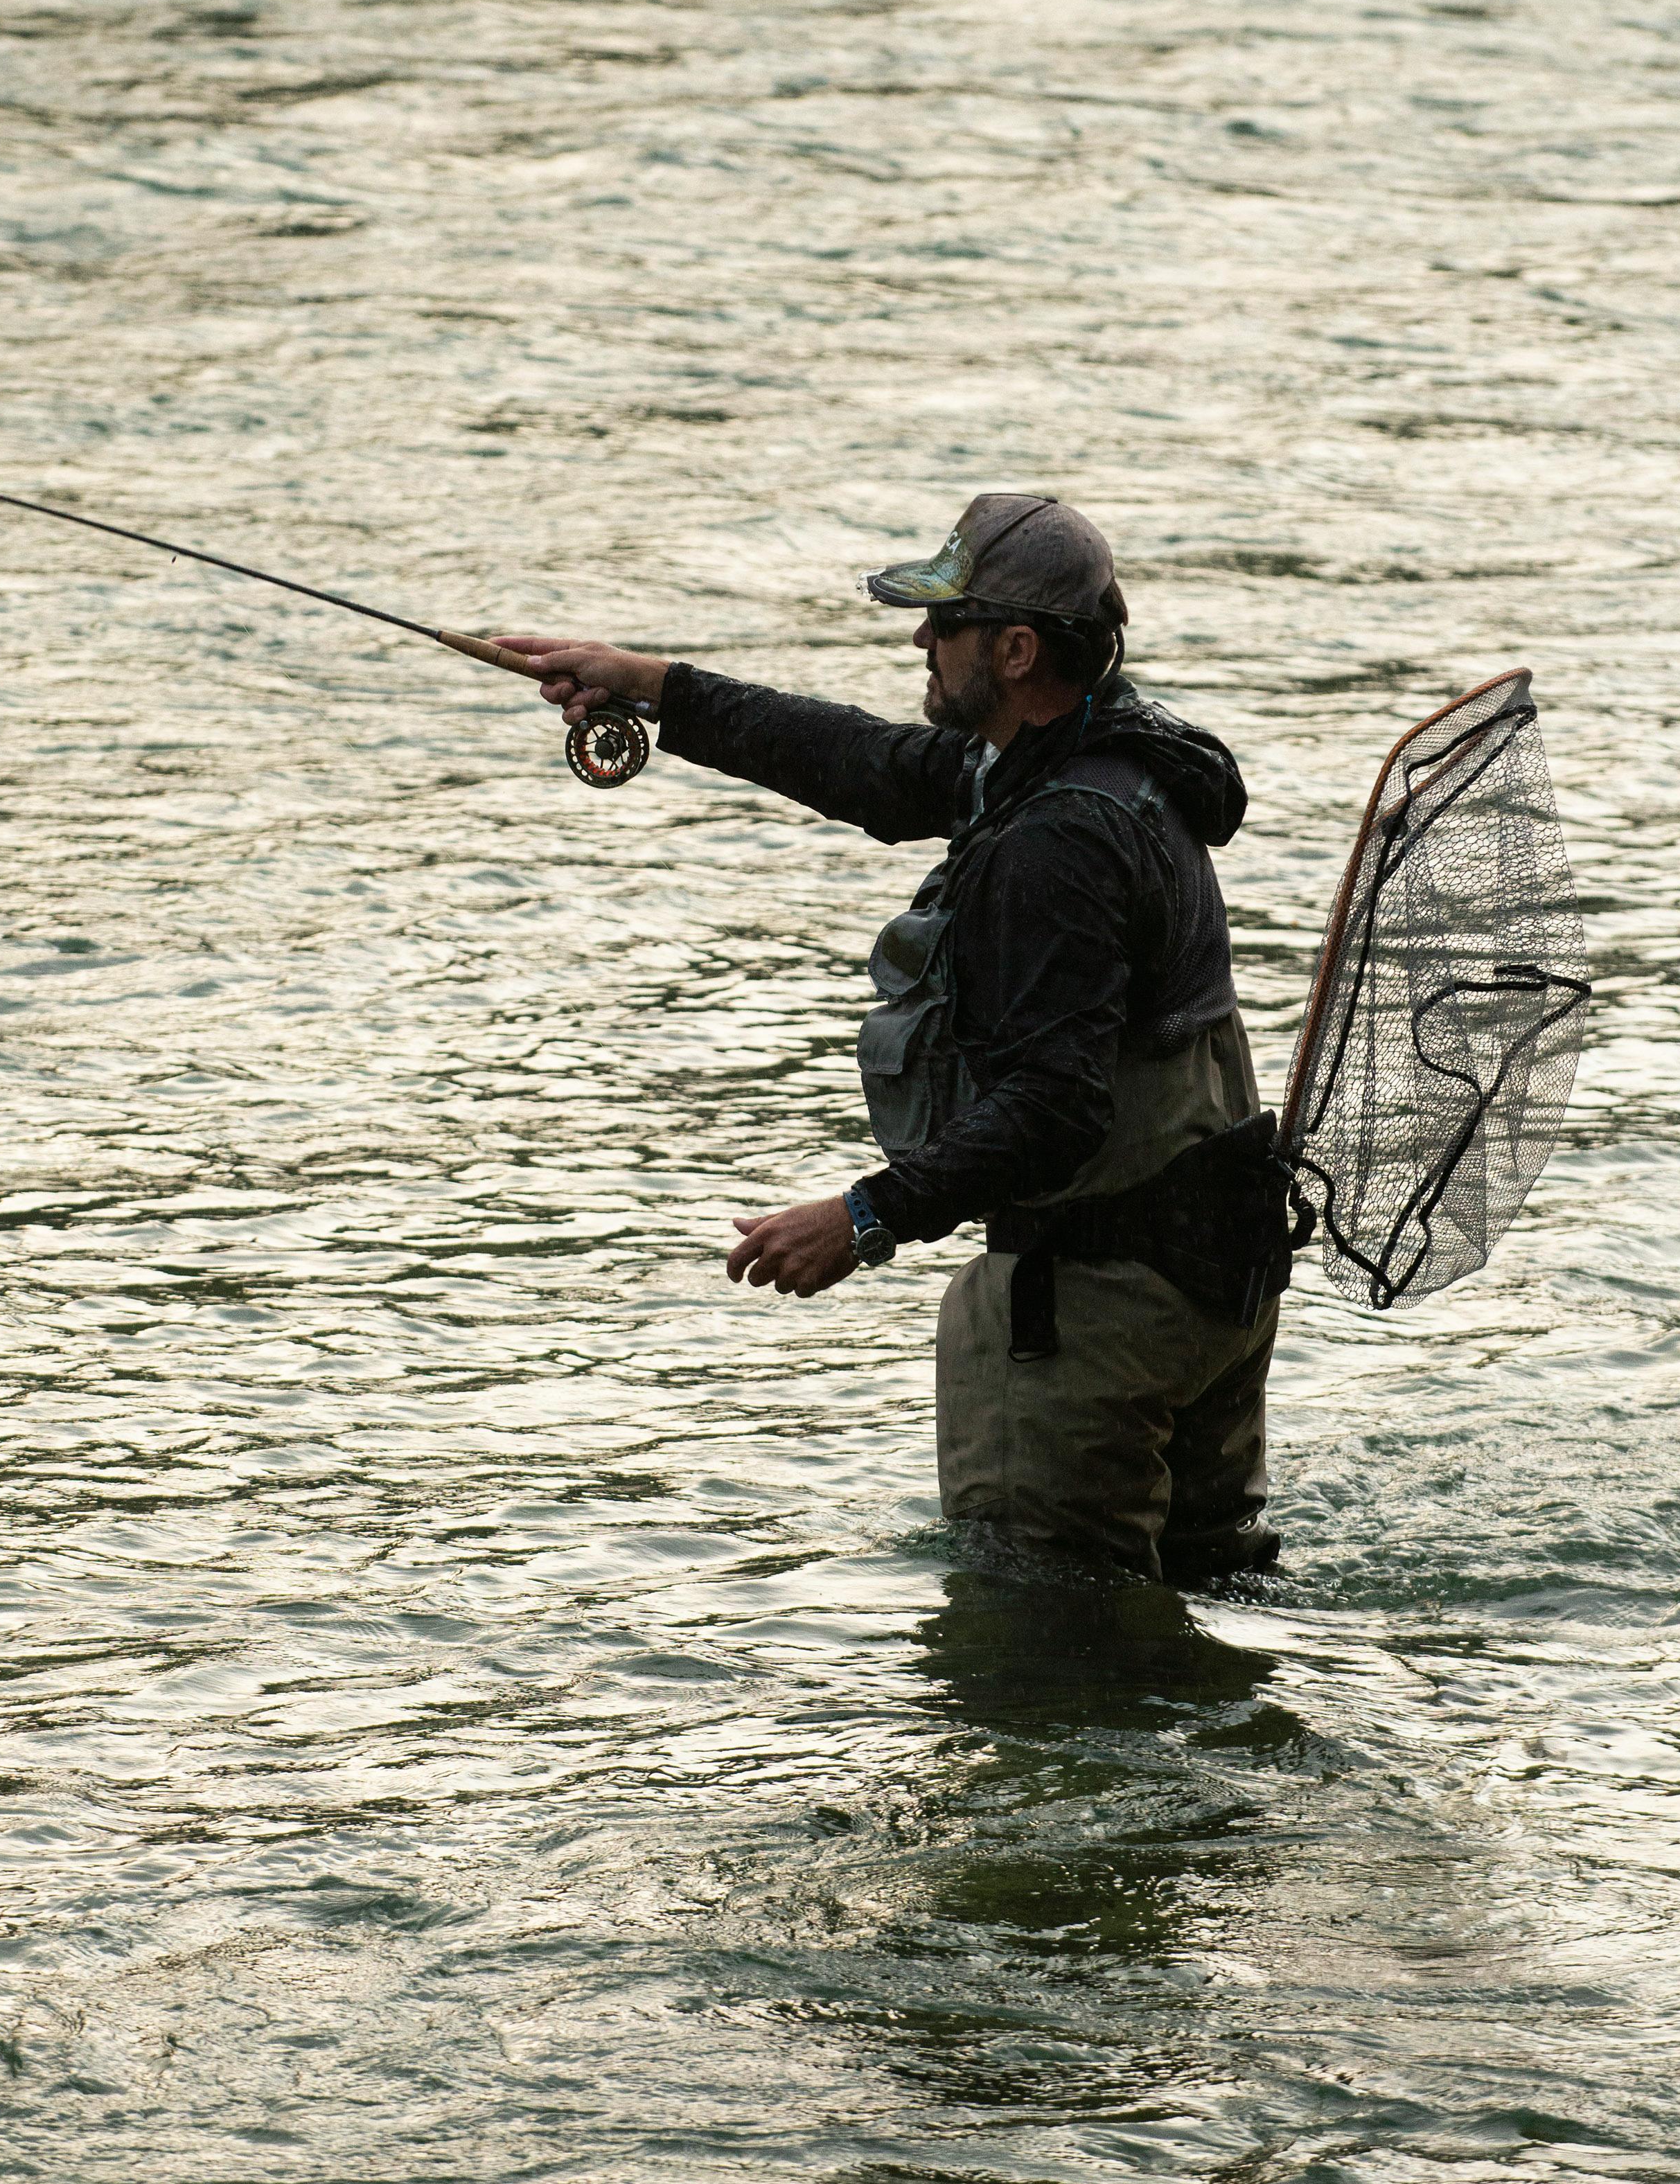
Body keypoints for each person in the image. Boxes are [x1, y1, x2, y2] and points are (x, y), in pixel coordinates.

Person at [497, 492, 1289, 1589]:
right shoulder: (1108, 761)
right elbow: (866, 765)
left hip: (1095, 1315)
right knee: (1202, 1611)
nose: (920, 638)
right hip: (1211, 1286)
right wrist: (655, 686)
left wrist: (861, 1218)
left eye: (944, 623)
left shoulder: (1056, 841)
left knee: (1037, 1675)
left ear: (1015, 649)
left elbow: (1054, 1108)